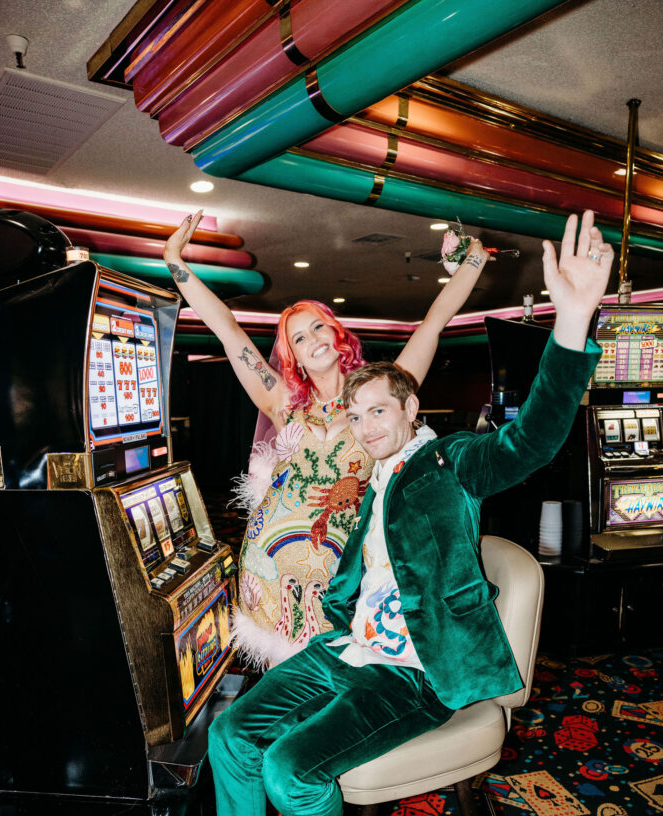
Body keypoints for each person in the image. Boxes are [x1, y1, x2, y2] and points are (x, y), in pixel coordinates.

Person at [166, 209, 613, 816]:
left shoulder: (448, 463)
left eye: (380, 412)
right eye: (359, 415)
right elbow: (232, 342)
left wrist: (569, 324)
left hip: (411, 666)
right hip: (341, 641)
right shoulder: (367, 470)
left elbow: (531, 439)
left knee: (290, 767)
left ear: (409, 405)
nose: (366, 427)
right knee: (230, 736)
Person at [164, 214, 491, 667]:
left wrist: (471, 261)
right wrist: (173, 260)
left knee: (340, 682)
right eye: (299, 337)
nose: (312, 339)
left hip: (345, 573)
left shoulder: (382, 391)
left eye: (318, 326)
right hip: (270, 565)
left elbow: (433, 324)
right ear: (291, 355)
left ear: (336, 331)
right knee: (285, 692)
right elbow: (227, 330)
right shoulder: (281, 402)